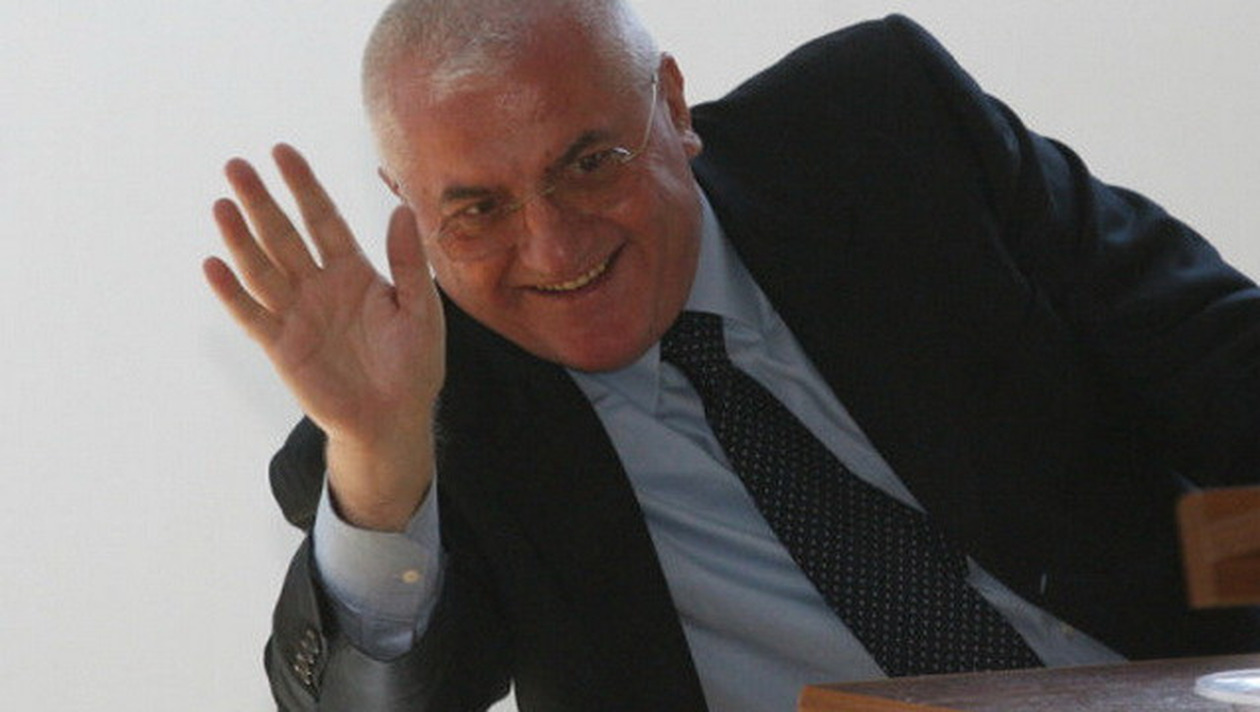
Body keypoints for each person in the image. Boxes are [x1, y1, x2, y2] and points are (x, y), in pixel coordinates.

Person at [204, 1, 1260, 710]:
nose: (556, 247)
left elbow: (1226, 364)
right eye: (477, 209)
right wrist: (380, 462)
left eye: (590, 163)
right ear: (408, 206)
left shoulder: (884, 132)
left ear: (671, 105)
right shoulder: (422, 420)